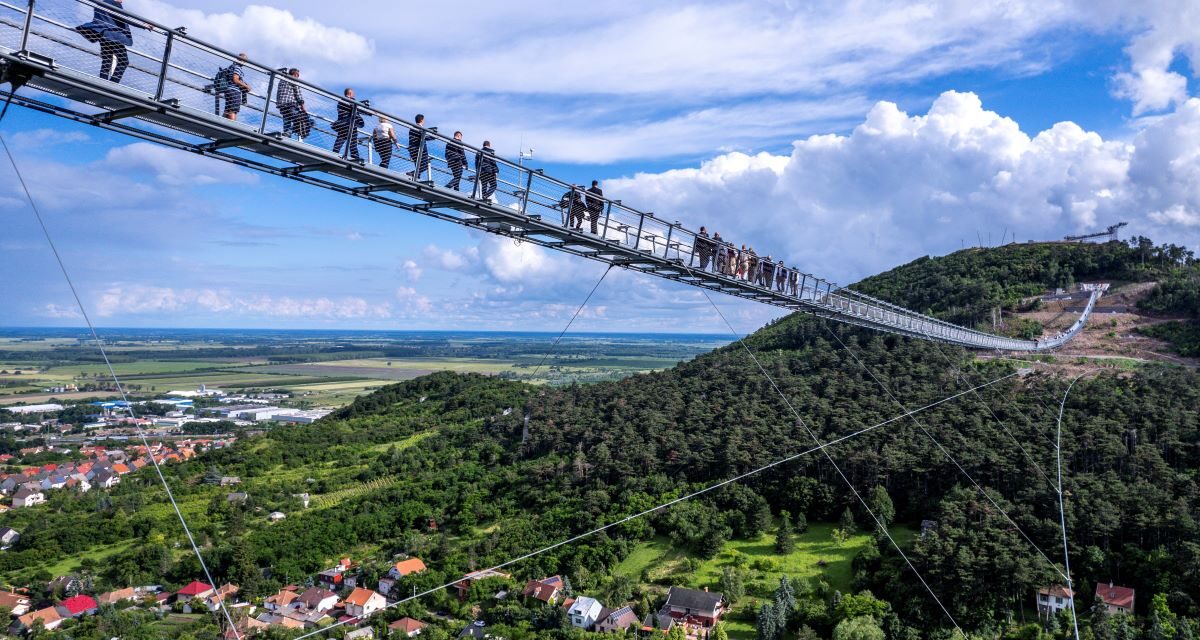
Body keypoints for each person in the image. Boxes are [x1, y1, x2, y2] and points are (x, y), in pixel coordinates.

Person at [75, 0, 152, 84]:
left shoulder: (101, 3)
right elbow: (125, 19)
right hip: (114, 36)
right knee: (123, 61)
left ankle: (102, 83)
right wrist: (144, 25)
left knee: (107, 60)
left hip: (103, 34)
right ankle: (113, 83)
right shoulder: (115, 4)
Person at [216, 53, 252, 121]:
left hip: (228, 90)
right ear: (239, 59)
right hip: (234, 91)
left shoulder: (231, 66)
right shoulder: (237, 67)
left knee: (228, 110)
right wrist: (246, 86)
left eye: (245, 61)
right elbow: (235, 79)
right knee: (233, 110)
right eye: (243, 60)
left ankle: (221, 124)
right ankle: (232, 126)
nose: (244, 63)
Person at [332, 88, 364, 160]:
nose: (354, 95)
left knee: (340, 141)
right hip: (350, 124)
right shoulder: (351, 101)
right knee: (352, 143)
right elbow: (357, 110)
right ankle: (355, 158)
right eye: (353, 93)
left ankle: (333, 154)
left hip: (342, 125)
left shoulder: (341, 101)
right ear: (350, 93)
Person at [276, 68, 308, 139]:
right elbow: (298, 94)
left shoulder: (282, 79)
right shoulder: (293, 79)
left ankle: (287, 136)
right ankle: (289, 133)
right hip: (290, 104)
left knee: (287, 120)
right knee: (299, 119)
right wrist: (303, 107)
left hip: (281, 104)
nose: (298, 77)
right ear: (295, 74)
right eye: (298, 75)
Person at [407, 114, 431, 181]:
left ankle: (417, 177)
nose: (424, 121)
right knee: (425, 165)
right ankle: (413, 173)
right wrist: (434, 137)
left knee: (418, 165)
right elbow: (423, 136)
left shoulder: (412, 128)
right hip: (420, 150)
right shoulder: (419, 127)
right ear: (421, 120)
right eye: (424, 120)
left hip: (413, 149)